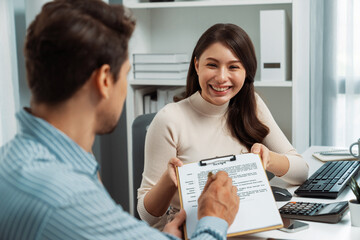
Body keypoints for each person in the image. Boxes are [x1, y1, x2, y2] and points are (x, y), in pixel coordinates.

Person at [0, 1, 240, 239]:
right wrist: (214, 218)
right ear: (104, 80)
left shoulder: (12, 159)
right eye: (125, 74)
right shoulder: (66, 198)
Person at [138, 23, 309, 229]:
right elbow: (147, 217)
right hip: (192, 230)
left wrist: (269, 158)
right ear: (197, 65)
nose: (221, 77)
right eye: (212, 65)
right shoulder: (169, 118)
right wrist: (168, 180)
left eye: (233, 67)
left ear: (247, 71)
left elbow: (301, 172)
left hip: (246, 227)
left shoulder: (252, 105)